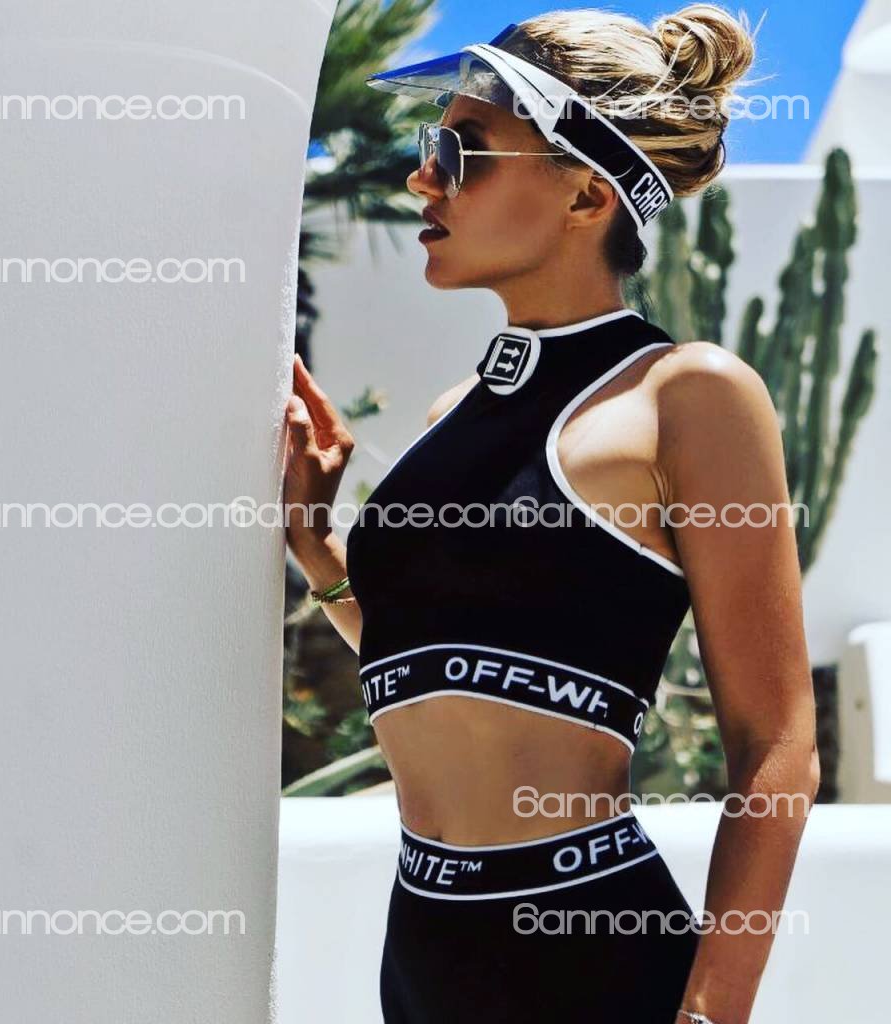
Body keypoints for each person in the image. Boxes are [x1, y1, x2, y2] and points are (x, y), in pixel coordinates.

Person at [284, 6, 819, 1022]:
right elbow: (437, 661)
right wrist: (321, 556)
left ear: (586, 192)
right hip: (422, 948)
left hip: (588, 949)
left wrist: (713, 1013)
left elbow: (776, 741)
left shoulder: (687, 394)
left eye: (461, 150)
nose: (422, 179)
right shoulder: (451, 416)